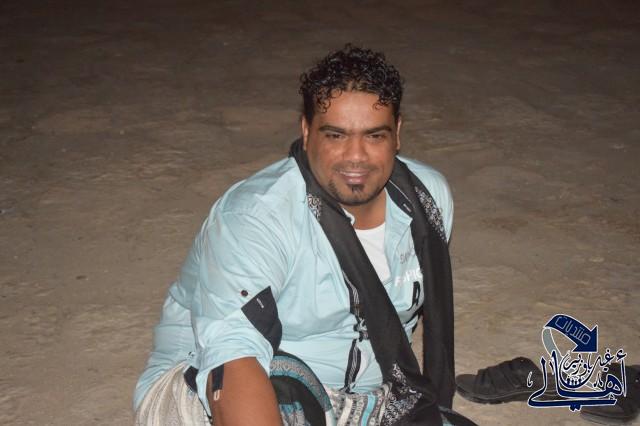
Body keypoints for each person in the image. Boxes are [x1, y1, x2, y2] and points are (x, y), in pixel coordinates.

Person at [134, 44, 474, 426]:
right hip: (218, 384)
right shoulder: (256, 217)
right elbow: (233, 358)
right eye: (336, 135)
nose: (356, 156)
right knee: (287, 389)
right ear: (307, 131)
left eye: (374, 136)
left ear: (397, 134)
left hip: (363, 402)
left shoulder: (427, 201)